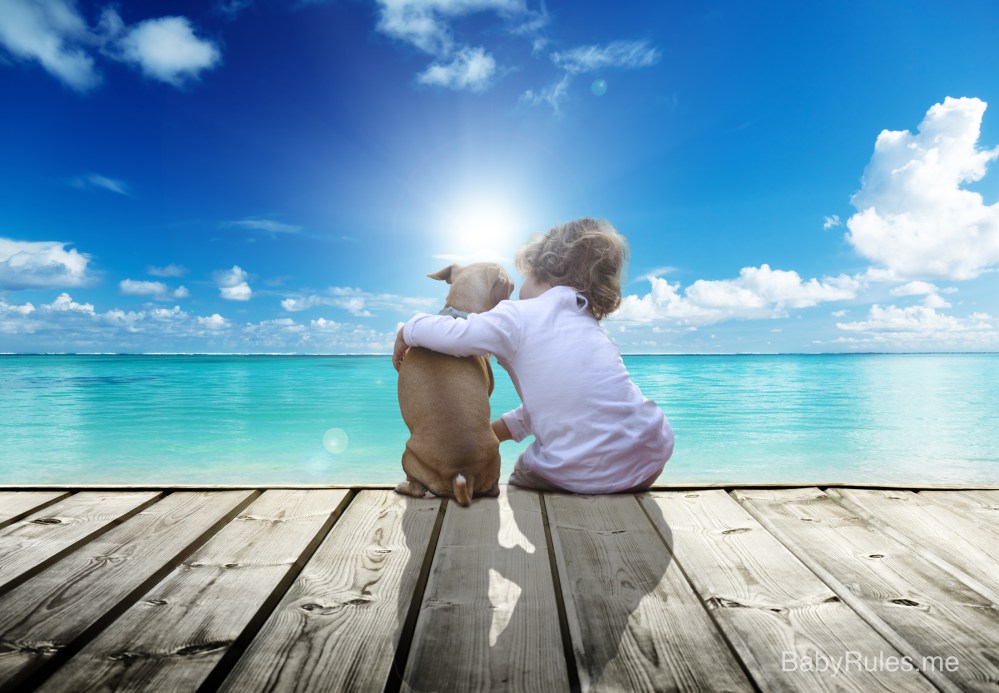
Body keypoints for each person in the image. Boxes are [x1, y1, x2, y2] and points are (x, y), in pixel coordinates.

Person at [392, 217, 673, 494]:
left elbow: (459, 335)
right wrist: (495, 432)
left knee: (524, 470)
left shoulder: (516, 315)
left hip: (584, 475)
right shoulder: (586, 323)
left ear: (541, 271)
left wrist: (409, 330)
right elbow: (562, 401)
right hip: (650, 454)